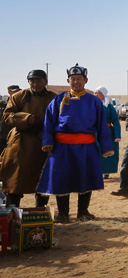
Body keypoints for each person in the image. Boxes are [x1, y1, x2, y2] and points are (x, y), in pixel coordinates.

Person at [38, 64, 113, 222]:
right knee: (61, 178)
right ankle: (63, 214)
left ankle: (83, 212)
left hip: (86, 147)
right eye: (73, 79)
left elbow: (102, 125)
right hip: (62, 147)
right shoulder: (59, 99)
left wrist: (106, 147)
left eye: (79, 79)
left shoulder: (94, 101)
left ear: (85, 80)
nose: (76, 82)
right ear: (68, 80)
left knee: (86, 177)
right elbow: (49, 122)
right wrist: (48, 142)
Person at [0, 70, 57, 207]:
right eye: (32, 81)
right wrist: (25, 119)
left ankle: (40, 210)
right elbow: (7, 115)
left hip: (44, 142)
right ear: (28, 82)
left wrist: (48, 132)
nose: (36, 84)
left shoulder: (53, 98)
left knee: (42, 177)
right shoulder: (19, 96)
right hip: (21, 142)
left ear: (45, 82)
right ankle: (13, 210)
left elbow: (60, 118)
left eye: (39, 81)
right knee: (15, 178)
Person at [94, 86, 121, 179]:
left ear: (103, 95)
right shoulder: (91, 106)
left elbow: (116, 120)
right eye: (95, 92)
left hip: (107, 133)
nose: (95, 94)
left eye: (98, 93)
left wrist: (117, 135)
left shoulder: (109, 106)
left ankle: (106, 171)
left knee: (107, 152)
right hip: (94, 132)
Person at [0, 85, 22, 155]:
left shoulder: (21, 105)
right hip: (2, 135)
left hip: (15, 135)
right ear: (9, 92)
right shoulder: (2, 105)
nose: (16, 94)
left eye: (18, 92)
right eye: (14, 92)